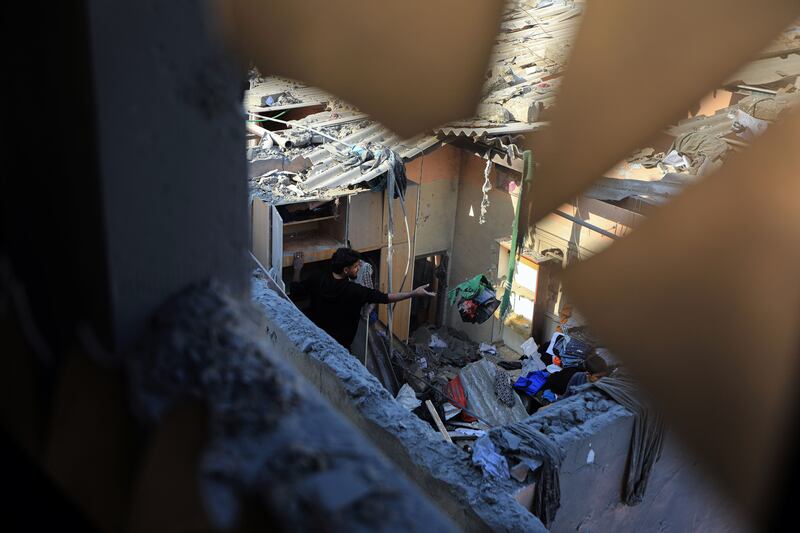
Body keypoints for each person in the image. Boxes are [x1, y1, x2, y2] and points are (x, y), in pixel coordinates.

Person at [289, 248, 435, 350]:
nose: (359, 268)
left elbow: (296, 290)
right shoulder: (355, 291)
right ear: (346, 270)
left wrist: (297, 269)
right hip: (340, 346)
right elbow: (385, 298)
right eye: (355, 267)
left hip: (316, 337)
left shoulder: (317, 277)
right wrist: (413, 293)